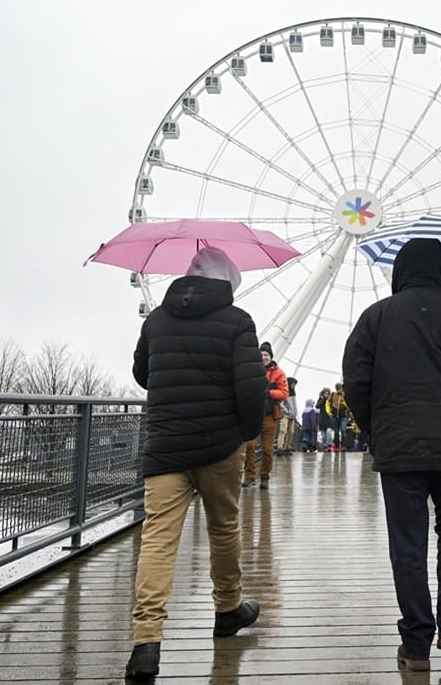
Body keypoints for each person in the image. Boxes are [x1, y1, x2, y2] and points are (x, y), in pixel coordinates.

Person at [342, 238, 441, 672]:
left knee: (408, 544)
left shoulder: (375, 317)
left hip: (399, 449)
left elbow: (355, 380)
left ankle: (415, 643)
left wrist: (375, 429)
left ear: (400, 271)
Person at [126, 247, 266, 681]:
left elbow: (141, 374)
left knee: (158, 540)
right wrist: (243, 434)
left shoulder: (156, 320)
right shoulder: (237, 322)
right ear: (227, 280)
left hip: (165, 445)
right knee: (223, 529)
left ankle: (146, 642)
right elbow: (251, 389)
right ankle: (227, 609)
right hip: (218, 445)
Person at [243, 341, 288, 488]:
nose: (263, 357)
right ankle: (249, 476)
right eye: (261, 354)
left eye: (266, 354)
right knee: (250, 446)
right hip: (253, 415)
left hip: (269, 416)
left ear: (271, 356)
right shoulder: (251, 371)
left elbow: (284, 393)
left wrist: (268, 393)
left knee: (268, 450)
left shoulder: (279, 373)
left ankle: (264, 477)